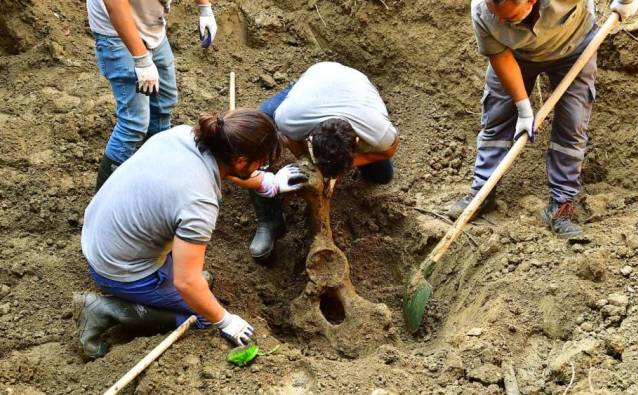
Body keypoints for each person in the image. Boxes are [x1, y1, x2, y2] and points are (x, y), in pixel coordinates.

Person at [73, 109, 307, 359]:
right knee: (203, 316)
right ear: (240, 161)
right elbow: (186, 281)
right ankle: (107, 311)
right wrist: (225, 320)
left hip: (99, 234)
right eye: (261, 163)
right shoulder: (199, 203)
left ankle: (164, 284)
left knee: (196, 286)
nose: (262, 167)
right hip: (119, 269)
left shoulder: (182, 135)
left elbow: (222, 170)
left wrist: (265, 182)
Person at [447, 0, 638, 238]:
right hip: (515, 54)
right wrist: (524, 109)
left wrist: (626, 2)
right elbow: (500, 57)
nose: (502, 21)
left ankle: (561, 206)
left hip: (574, 45)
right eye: (498, 17)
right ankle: (482, 193)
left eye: (509, 17)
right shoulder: (483, 11)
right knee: (496, 119)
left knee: (572, 125)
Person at [248, 61, 400, 260]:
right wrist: (307, 163)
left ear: (356, 142)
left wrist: (348, 166)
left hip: (356, 86)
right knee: (254, 133)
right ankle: (271, 221)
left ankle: (349, 164)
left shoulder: (379, 133)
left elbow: (390, 150)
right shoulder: (291, 117)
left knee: (382, 176)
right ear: (311, 138)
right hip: (316, 81)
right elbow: (289, 138)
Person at [87, 0, 219, 190]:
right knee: (134, 123)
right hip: (116, 33)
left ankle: (156, 176)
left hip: (151, 26)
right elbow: (114, 4)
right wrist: (141, 60)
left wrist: (204, 7)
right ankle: (104, 199)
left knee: (163, 105)